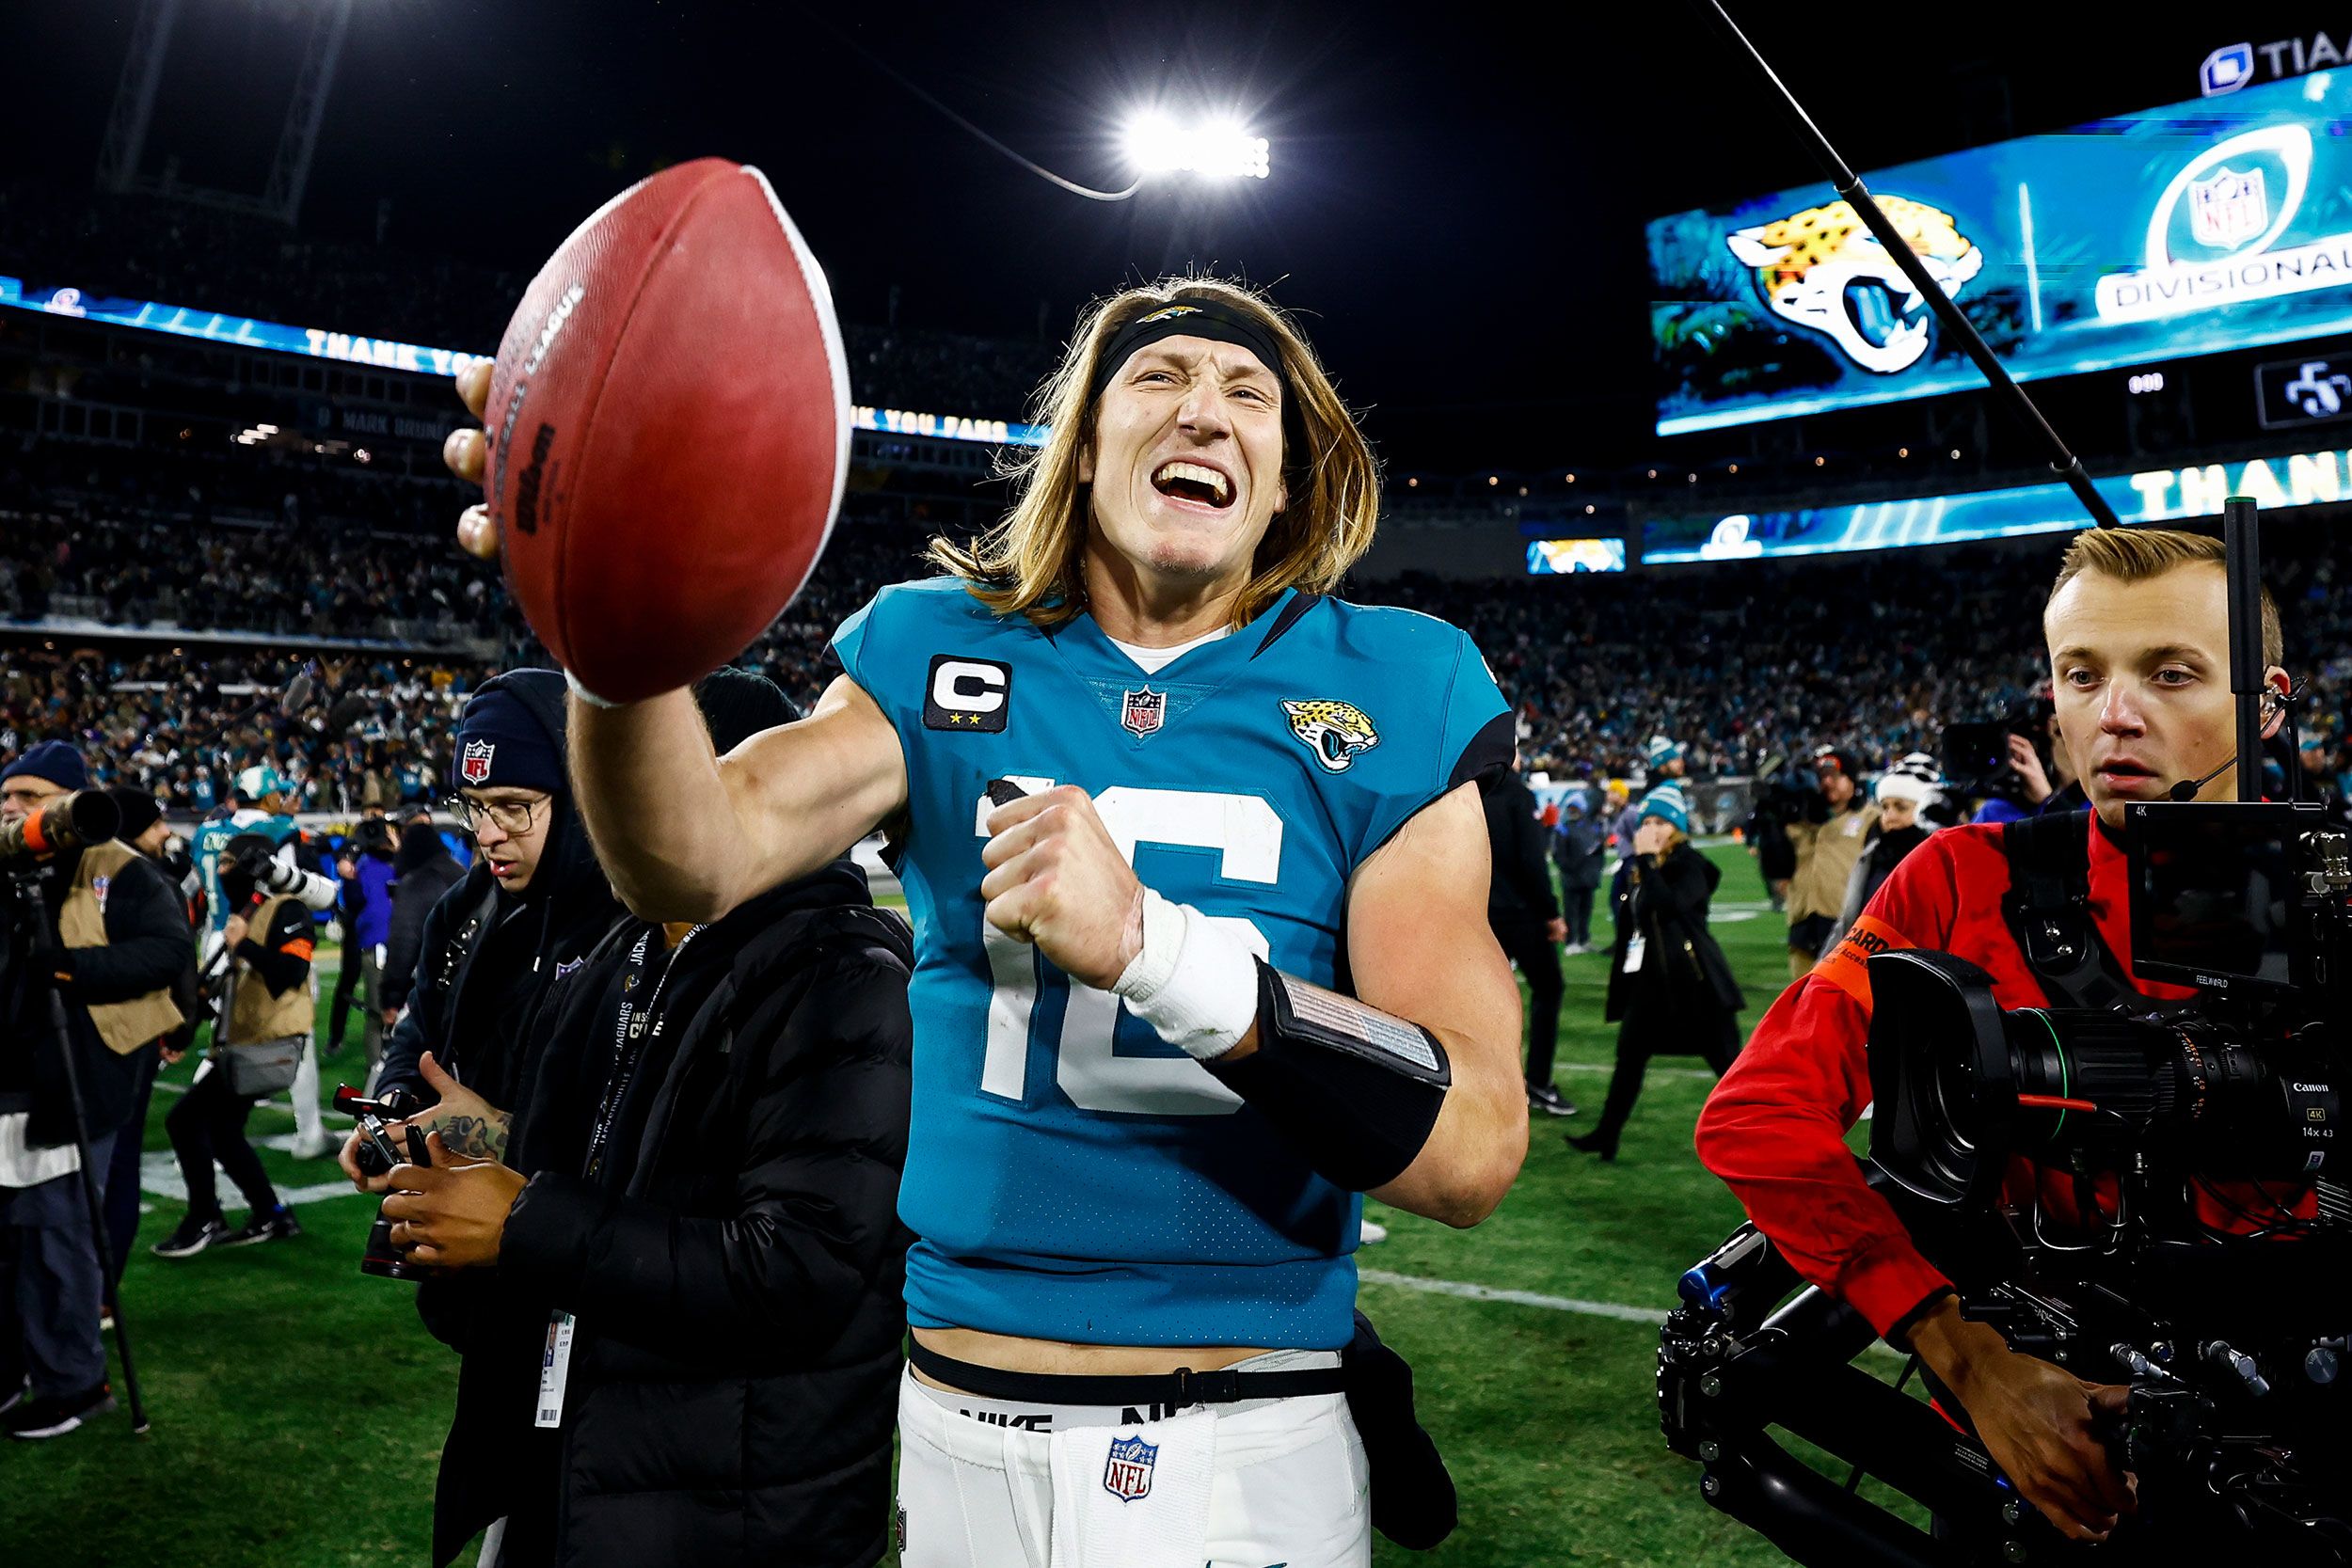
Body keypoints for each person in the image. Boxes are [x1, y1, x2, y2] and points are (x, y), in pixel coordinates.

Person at [443, 277, 1529, 1567]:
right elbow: (692, 858)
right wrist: (611, 631)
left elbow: (1466, 1147)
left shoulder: (1399, 683)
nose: (1204, 411)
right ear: (1082, 448)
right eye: (1160, 379)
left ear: (1288, 479)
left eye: (1248, 395)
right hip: (959, 1424)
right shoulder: (931, 645)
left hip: (1245, 1431)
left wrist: (1159, 952)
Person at [1696, 526, 2307, 1545]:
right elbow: (1759, 1112)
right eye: (2081, 673)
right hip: (2024, 1464)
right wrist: (1967, 1353)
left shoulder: (2323, 893)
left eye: (2171, 673)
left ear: (2266, 699)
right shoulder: (1958, 877)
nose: (2114, 716)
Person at [367, 669, 917, 1568]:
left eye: (652, 783)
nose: (626, 812)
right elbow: (628, 1184)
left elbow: (799, 1269)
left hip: (732, 1512)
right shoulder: (634, 946)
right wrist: (471, 1164)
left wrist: (518, 1221)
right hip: (593, 1473)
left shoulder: (846, 977)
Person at [0, 743, 185, 1438]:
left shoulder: (120, 866)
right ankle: (14, 1367)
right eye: (6, 794)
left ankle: (72, 1381)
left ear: (72, 802)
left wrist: (71, 968)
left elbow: (168, 952)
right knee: (10, 1240)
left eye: (31, 793)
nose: (14, 806)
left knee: (55, 1233)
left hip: (77, 1075)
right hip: (11, 1073)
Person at [361, 673, 625, 1136]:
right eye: (476, 806)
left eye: (512, 806)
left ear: (579, 798)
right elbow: (419, 1025)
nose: (486, 835)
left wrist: (486, 1134)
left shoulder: (631, 929)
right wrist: (392, 1103)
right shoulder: (463, 905)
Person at [151, 832, 319, 1258]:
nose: (223, 872)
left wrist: (242, 944)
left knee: (185, 1121)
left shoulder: (288, 908)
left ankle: (205, 1216)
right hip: (247, 1043)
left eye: (230, 863)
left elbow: (290, 974)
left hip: (271, 1044)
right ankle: (271, 1212)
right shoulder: (251, 910)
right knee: (223, 1132)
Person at [1565, 784, 1741, 1162]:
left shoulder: (1692, 864)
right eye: (1647, 821)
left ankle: (1765, 1138)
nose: (1651, 828)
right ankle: (1606, 1134)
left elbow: (1671, 906)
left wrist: (1644, 862)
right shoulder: (1645, 867)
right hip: (1650, 984)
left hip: (1695, 984)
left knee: (1732, 1069)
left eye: (1660, 821)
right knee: (1629, 1058)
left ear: (1676, 827)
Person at [190, 764, 339, 1158]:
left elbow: (194, 888)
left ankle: (199, 1128)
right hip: (263, 934)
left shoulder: (207, 832)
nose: (283, 800)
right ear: (269, 796)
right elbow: (296, 891)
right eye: (279, 794)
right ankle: (307, 1133)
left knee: (223, 1038)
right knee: (293, 1031)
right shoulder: (276, 832)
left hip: (217, 938)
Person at [96, 786, 199, 1293]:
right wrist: (180, 1025)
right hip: (125, 1039)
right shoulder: (147, 880)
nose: (166, 832)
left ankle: (92, 1294)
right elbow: (180, 962)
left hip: (90, 1038)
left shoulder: (86, 873)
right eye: (156, 823)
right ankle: (98, 1294)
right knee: (115, 1166)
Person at [1485, 755, 1575, 1118]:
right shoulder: (1516, 795)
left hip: (1478, 914)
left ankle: (1483, 1085)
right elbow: (1531, 862)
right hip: (1520, 914)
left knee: (1483, 1000)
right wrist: (1551, 912)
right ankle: (1537, 1082)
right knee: (1549, 989)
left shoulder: (1466, 792)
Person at [1782, 748, 1877, 979]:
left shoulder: (1871, 818)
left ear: (1852, 779)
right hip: (1802, 922)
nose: (1827, 783)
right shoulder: (1801, 823)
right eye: (1822, 777)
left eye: (1834, 776)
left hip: (1846, 926)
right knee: (1802, 1004)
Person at [1825, 762, 1941, 950]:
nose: (1889, 817)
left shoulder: (1940, 864)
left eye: (1901, 807)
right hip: (1863, 970)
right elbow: (1847, 926)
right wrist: (1818, 973)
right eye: (1885, 808)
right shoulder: (1871, 856)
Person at [377, 803, 465, 1038]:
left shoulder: (417, 882)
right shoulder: (461, 875)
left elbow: (404, 941)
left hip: (433, 994)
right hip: (471, 988)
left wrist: (392, 998)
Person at [326, 815, 398, 1082]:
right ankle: (375, 1069)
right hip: (376, 945)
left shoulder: (403, 863)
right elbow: (355, 902)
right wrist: (350, 875)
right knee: (377, 1011)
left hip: (403, 943)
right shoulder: (362, 866)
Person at [1551, 791, 1606, 954]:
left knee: (1586, 910)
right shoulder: (1563, 828)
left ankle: (1584, 939)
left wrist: (1596, 869)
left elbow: (1598, 850)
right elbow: (1558, 854)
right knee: (1571, 910)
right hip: (1571, 877)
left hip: (1587, 877)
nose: (1573, 810)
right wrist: (1568, 867)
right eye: (1571, 807)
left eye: (1576, 807)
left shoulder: (1592, 826)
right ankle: (1571, 941)